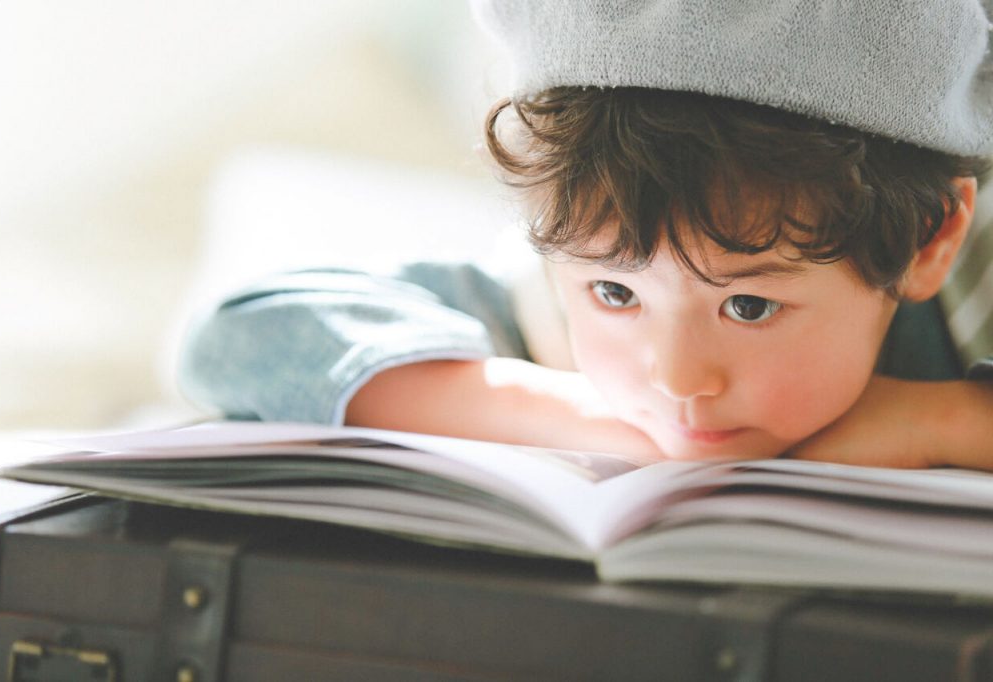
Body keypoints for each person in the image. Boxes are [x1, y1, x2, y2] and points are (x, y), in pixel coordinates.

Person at [178, 0, 993, 469]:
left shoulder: (966, 285)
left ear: (932, 240)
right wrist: (588, 421)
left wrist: (938, 419)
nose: (677, 379)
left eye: (748, 306)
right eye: (614, 292)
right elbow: (230, 341)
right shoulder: (517, 312)